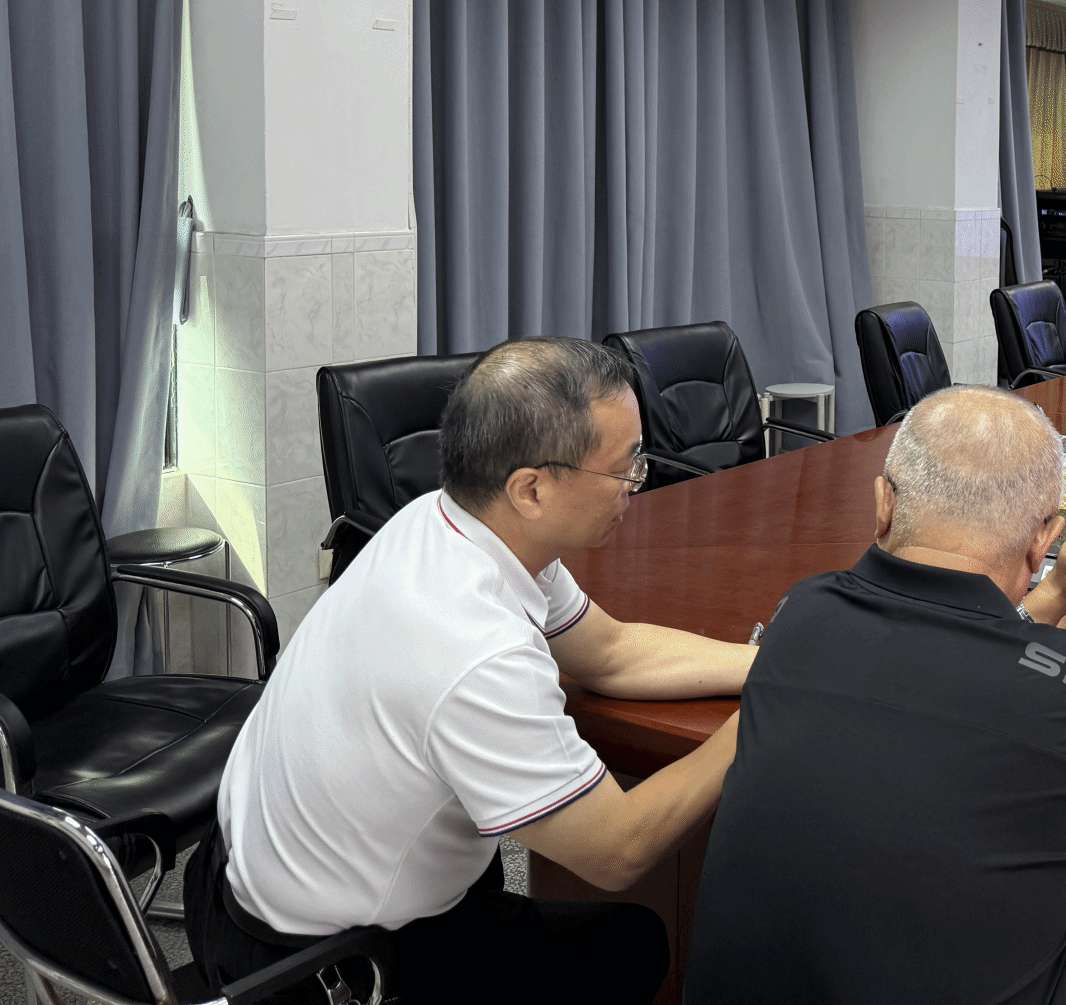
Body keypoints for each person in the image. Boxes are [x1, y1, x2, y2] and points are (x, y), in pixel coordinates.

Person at [193, 338, 759, 1005]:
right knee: (633, 942)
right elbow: (618, 850)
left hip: (237, 877)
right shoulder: (479, 652)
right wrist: (759, 716)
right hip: (323, 970)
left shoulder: (442, 523)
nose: (639, 480)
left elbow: (610, 653)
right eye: (624, 465)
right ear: (532, 488)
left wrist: (772, 661)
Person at [685, 385, 1066, 1004]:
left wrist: (1053, 596)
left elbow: (948, 661)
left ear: (883, 503)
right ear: (1042, 542)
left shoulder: (803, 612)